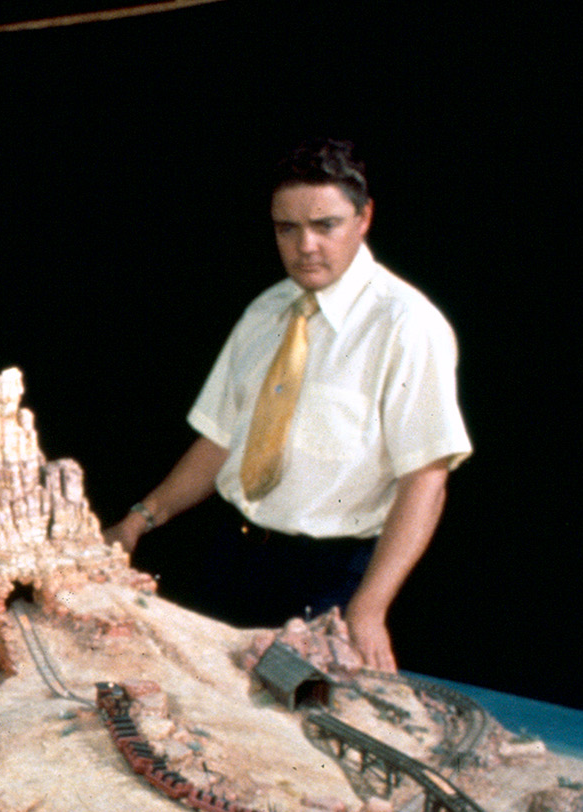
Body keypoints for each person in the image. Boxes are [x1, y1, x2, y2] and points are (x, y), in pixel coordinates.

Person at [104, 139, 471, 670]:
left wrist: (369, 608)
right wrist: (141, 519)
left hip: (329, 581)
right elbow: (221, 440)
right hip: (233, 559)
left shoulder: (407, 326)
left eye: (326, 225)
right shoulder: (267, 311)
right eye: (287, 228)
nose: (306, 247)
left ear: (365, 218)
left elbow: (427, 480)